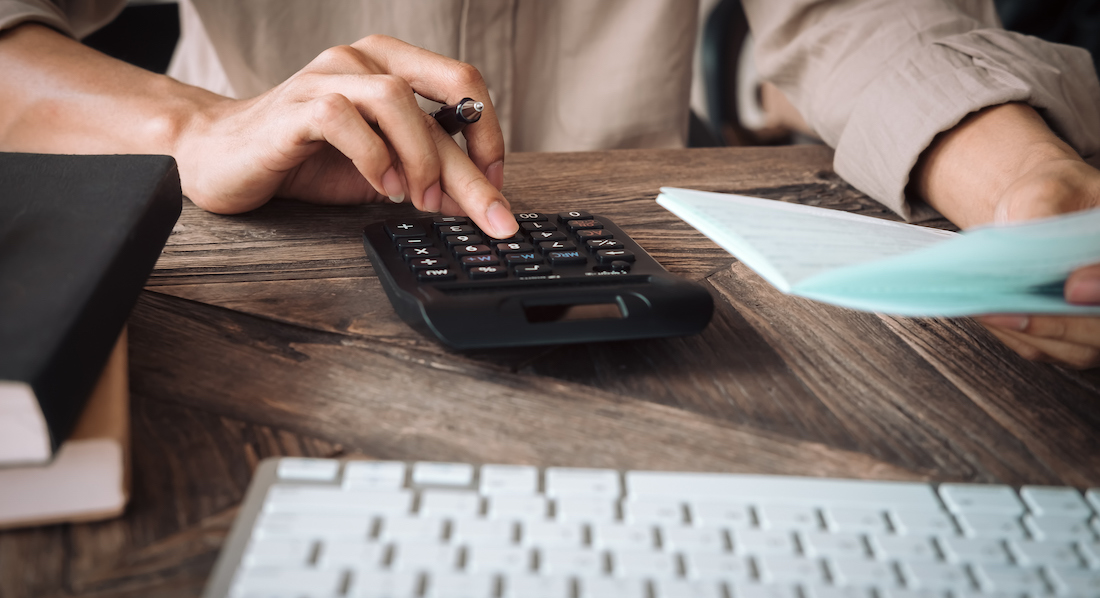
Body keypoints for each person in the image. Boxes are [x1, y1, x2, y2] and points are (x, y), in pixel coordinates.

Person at [0, 0, 1097, 367]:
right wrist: (196, 123)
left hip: (656, 274)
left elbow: (864, 21)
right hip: (270, 261)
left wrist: (1024, 179)